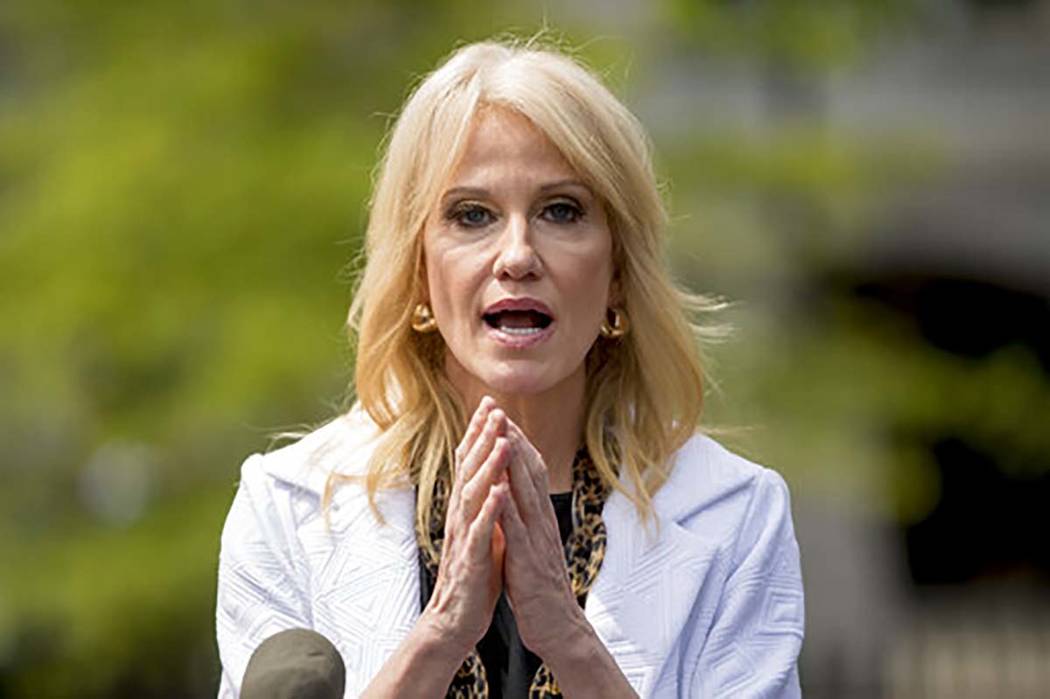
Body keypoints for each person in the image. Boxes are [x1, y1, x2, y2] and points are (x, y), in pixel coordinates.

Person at [215, 38, 804, 698]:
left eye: (561, 210)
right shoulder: (284, 509)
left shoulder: (738, 517)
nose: (518, 255)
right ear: (417, 273)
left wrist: (568, 637)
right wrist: (440, 634)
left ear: (617, 275)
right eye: (473, 215)